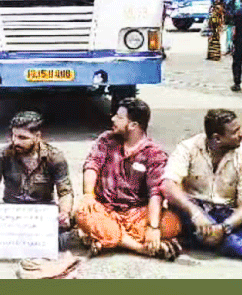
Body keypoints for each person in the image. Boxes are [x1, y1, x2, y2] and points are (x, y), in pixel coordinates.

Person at [161, 109, 242, 270]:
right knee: (182, 213)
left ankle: (200, 239)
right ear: (217, 138)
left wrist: (224, 228)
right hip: (193, 209)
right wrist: (196, 214)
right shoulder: (188, 147)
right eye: (235, 132)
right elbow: (168, 185)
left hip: (224, 212)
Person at [75, 98, 182, 260]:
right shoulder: (106, 140)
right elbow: (92, 165)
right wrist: (88, 195)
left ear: (133, 125)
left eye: (119, 117)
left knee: (172, 223)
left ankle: (108, 239)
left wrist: (153, 227)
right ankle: (140, 247)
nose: (113, 119)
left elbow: (155, 193)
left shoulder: (154, 153)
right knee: (84, 212)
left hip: (136, 213)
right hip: (105, 208)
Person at [0, 111, 74, 250]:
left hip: (41, 214)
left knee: (66, 234)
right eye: (13, 136)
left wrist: (64, 213)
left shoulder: (55, 157)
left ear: (37, 137)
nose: (16, 142)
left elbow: (65, 192)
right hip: (11, 213)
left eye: (22, 138)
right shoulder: (2, 155)